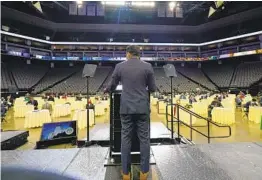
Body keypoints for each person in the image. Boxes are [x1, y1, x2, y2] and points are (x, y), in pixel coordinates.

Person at [105, 45, 156, 180]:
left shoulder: (120, 66)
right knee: (144, 140)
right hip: (142, 108)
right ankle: (144, 172)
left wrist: (106, 89)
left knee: (125, 139)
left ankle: (126, 173)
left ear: (128, 54)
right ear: (139, 54)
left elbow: (112, 86)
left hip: (126, 108)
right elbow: (152, 88)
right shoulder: (148, 66)